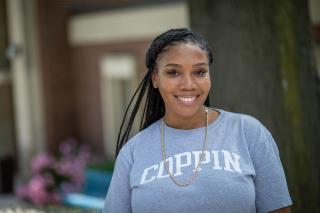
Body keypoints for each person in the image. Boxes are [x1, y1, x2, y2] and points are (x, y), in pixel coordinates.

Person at [102, 28, 292, 213]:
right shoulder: (133, 152)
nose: (188, 85)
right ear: (155, 78)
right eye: (173, 72)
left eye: (199, 72)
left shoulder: (248, 132)